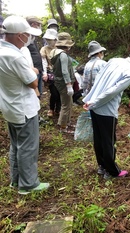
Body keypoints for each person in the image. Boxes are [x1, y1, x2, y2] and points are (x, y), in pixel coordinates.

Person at [83, 44, 130, 179]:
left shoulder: (114, 60)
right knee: (109, 141)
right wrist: (95, 101)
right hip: (106, 109)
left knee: (98, 139)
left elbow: (100, 79)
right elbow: (112, 92)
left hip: (94, 106)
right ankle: (112, 171)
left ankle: (102, 166)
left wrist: (91, 99)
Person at [0, 15, 49, 194]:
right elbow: (33, 82)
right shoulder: (14, 56)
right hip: (24, 108)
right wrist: (35, 70)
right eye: (26, 35)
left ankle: (16, 179)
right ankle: (28, 184)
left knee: (16, 145)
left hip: (9, 106)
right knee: (28, 146)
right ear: (19, 35)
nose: (28, 39)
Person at [50, 32, 76, 134]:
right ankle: (63, 126)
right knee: (66, 104)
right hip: (64, 83)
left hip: (58, 81)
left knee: (69, 103)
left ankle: (67, 122)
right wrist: (69, 85)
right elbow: (65, 71)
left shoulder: (54, 52)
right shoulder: (63, 55)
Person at [40, 28, 61, 117]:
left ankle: (58, 109)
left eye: (50, 39)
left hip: (60, 73)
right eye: (47, 39)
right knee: (54, 92)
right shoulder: (44, 49)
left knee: (60, 92)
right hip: (51, 73)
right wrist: (44, 73)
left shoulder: (60, 47)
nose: (49, 41)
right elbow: (44, 62)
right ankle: (51, 109)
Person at [26, 16, 44, 99]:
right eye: (38, 24)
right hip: (32, 70)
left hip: (39, 69)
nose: (39, 26)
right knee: (34, 94)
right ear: (33, 24)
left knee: (39, 93)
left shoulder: (33, 38)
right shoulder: (26, 38)